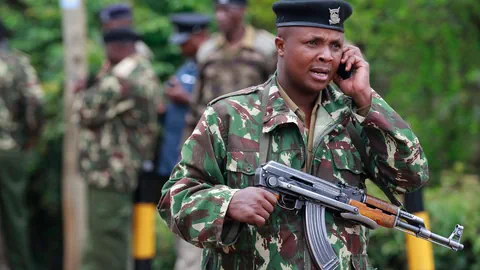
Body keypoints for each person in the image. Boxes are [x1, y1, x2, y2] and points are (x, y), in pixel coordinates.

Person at [158, 0, 430, 269]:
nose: (327, 55)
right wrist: (228, 204)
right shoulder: (230, 115)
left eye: (336, 45)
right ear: (281, 46)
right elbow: (174, 200)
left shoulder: (355, 117)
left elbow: (411, 177)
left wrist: (365, 98)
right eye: (313, 43)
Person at [74, 28, 159, 270]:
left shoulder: (124, 77)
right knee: (104, 240)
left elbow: (84, 110)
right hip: (116, 169)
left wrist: (84, 89)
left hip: (110, 171)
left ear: (116, 48)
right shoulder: (140, 71)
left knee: (105, 244)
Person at [156, 13, 211, 270]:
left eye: (185, 40)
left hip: (202, 167)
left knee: (193, 246)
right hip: (179, 164)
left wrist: (184, 98)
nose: (180, 47)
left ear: (200, 35)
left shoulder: (211, 67)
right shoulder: (186, 66)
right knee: (183, 238)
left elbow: (225, 114)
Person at [183, 0, 277, 139]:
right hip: (213, 134)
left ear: (242, 11)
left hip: (252, 134)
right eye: (217, 10)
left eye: (226, 10)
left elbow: (277, 95)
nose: (220, 16)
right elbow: (196, 101)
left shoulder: (265, 47)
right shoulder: (208, 50)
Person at [0, 20, 44, 270]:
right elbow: (35, 103)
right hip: (8, 148)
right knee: (14, 214)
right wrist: (30, 138)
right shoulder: (17, 63)